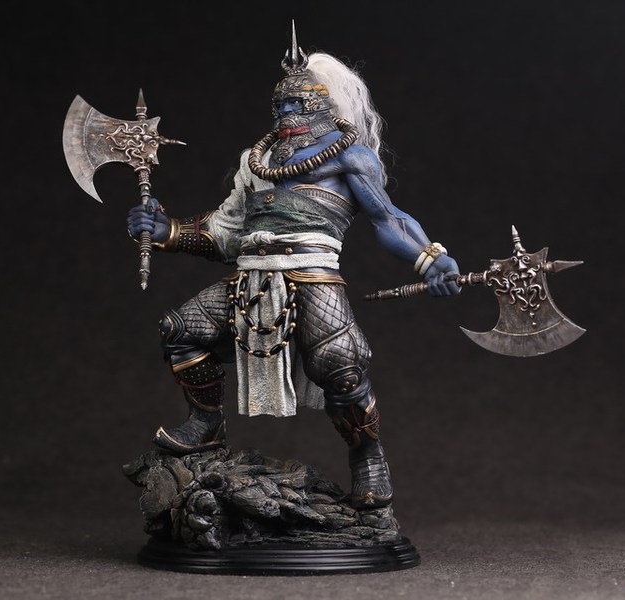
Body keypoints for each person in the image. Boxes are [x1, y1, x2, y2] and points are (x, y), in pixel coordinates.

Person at [127, 27, 461, 509]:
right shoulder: (256, 162)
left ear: (322, 105)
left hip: (313, 276)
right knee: (180, 331)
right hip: (251, 278)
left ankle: (368, 460)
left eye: (296, 104)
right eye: (279, 105)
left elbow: (389, 219)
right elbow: (225, 233)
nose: (285, 112)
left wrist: (429, 258)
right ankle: (206, 424)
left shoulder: (351, 156)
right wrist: (168, 231)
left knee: (340, 368)